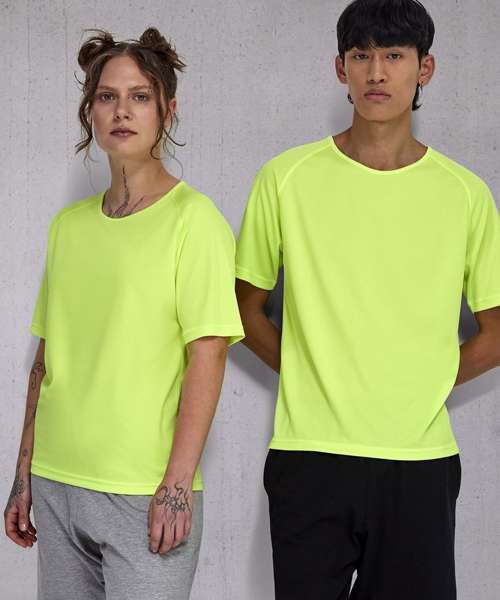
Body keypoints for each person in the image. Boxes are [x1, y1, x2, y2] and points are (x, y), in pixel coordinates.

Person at [235, 1, 500, 598]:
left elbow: (497, 328)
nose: (376, 72)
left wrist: (426, 379)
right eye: (361, 56)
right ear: (341, 68)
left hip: (420, 462)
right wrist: (309, 371)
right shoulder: (285, 177)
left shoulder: (465, 193)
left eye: (394, 56)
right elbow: (243, 309)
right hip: (309, 456)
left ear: (425, 68)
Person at [4, 27, 244, 600]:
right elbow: (45, 361)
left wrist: (176, 486)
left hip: (144, 489)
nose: (121, 111)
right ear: (89, 111)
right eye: (107, 96)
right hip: (58, 482)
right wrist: (22, 475)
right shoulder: (69, 227)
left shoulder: (195, 221)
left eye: (139, 96)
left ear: (168, 109)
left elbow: (208, 356)